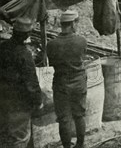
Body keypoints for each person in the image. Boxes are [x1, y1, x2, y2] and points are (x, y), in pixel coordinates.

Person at [0, 18, 43, 148]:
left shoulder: (2, 47)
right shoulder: (24, 54)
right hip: (18, 104)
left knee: (4, 137)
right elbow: (31, 83)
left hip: (2, 101)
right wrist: (38, 100)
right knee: (19, 139)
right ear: (27, 35)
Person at [47, 11, 87, 148]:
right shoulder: (81, 41)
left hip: (61, 83)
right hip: (78, 81)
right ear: (72, 24)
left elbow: (52, 63)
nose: (77, 25)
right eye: (76, 22)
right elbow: (82, 57)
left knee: (63, 119)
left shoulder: (51, 44)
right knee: (79, 114)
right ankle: (80, 145)